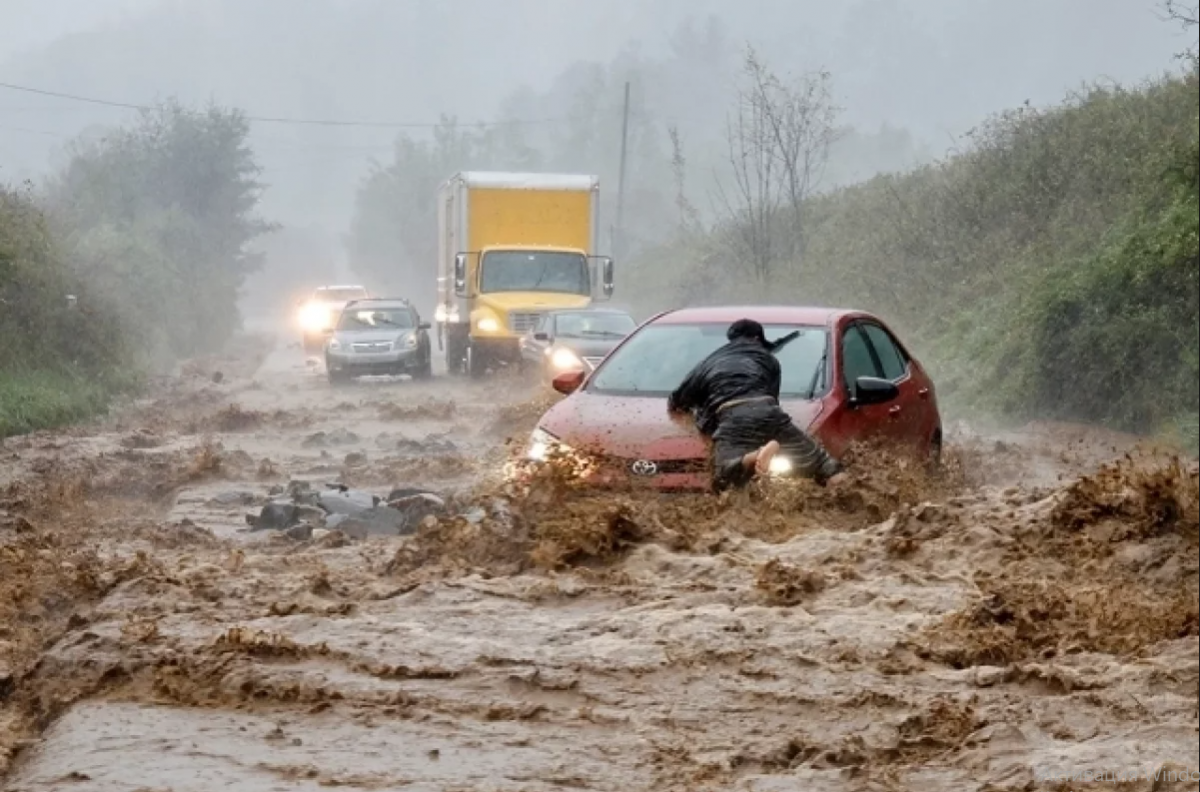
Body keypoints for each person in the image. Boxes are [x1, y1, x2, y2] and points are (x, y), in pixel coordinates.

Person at [667, 318, 846, 492]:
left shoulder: (707, 363)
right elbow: (772, 400)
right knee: (824, 464)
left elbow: (677, 401)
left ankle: (751, 458)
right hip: (768, 410)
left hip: (732, 415)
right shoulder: (769, 359)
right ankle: (846, 501)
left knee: (722, 478)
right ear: (756, 338)